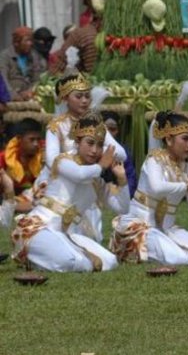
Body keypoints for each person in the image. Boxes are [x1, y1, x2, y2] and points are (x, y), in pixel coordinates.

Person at [110, 111, 188, 265]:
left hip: (168, 229)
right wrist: (187, 184)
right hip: (139, 226)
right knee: (179, 259)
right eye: (185, 139)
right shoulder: (154, 159)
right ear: (168, 139)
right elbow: (156, 188)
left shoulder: (187, 169)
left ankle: (168, 246)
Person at [11, 113, 128, 272]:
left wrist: (122, 179)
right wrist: (101, 165)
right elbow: (79, 175)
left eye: (100, 145)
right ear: (77, 142)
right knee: (71, 261)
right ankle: (36, 256)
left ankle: (54, 257)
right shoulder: (63, 161)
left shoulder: (96, 181)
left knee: (110, 261)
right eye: (90, 143)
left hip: (67, 235)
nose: (95, 150)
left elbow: (122, 208)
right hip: (39, 228)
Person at [43, 74, 128, 241]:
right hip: (63, 181)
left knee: (92, 238)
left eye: (87, 96)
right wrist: (76, 162)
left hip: (90, 180)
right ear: (66, 98)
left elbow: (121, 154)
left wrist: (93, 147)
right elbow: (51, 159)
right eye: (78, 96)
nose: (84, 100)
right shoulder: (57, 125)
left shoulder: (97, 126)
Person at [0, 118, 44, 213]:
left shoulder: (43, 156)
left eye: (38, 139)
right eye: (32, 140)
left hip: (32, 198)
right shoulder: (4, 158)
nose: (36, 144)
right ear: (19, 139)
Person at [0, 26, 47, 101]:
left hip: (31, 98)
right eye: (27, 41)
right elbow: (3, 81)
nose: (30, 44)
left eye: (31, 41)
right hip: (11, 100)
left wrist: (31, 91)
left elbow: (39, 78)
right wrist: (13, 96)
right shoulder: (5, 57)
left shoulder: (34, 56)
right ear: (16, 43)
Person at [101, 111, 137, 197]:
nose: (109, 133)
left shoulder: (124, 152)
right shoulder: (92, 149)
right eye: (106, 129)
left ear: (117, 131)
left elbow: (130, 177)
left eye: (112, 129)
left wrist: (125, 195)